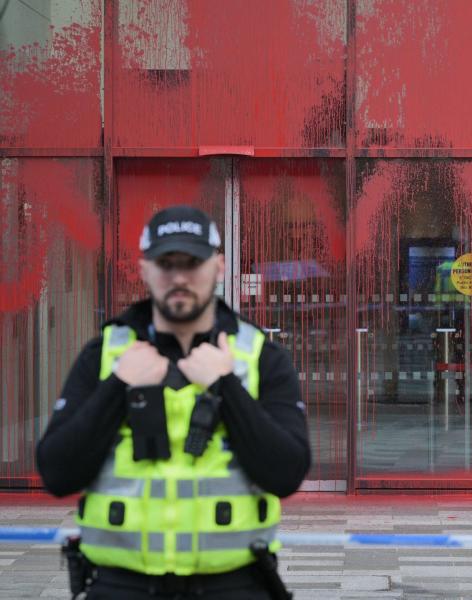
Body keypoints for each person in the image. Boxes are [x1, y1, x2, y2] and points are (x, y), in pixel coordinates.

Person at [36, 205, 310, 599]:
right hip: (120, 586)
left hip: (233, 586)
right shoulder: (104, 356)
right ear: (144, 268)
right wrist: (118, 385)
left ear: (218, 266)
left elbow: (286, 473)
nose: (179, 277)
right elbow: (57, 474)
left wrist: (225, 385)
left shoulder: (261, 358)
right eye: (166, 263)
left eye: (192, 263)